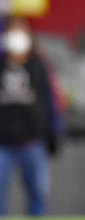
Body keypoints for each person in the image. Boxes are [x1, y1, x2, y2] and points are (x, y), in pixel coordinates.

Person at [0, 18, 62, 217]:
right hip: (2, 143)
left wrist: (54, 132)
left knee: (39, 194)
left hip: (33, 142)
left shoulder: (39, 66)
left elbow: (53, 102)